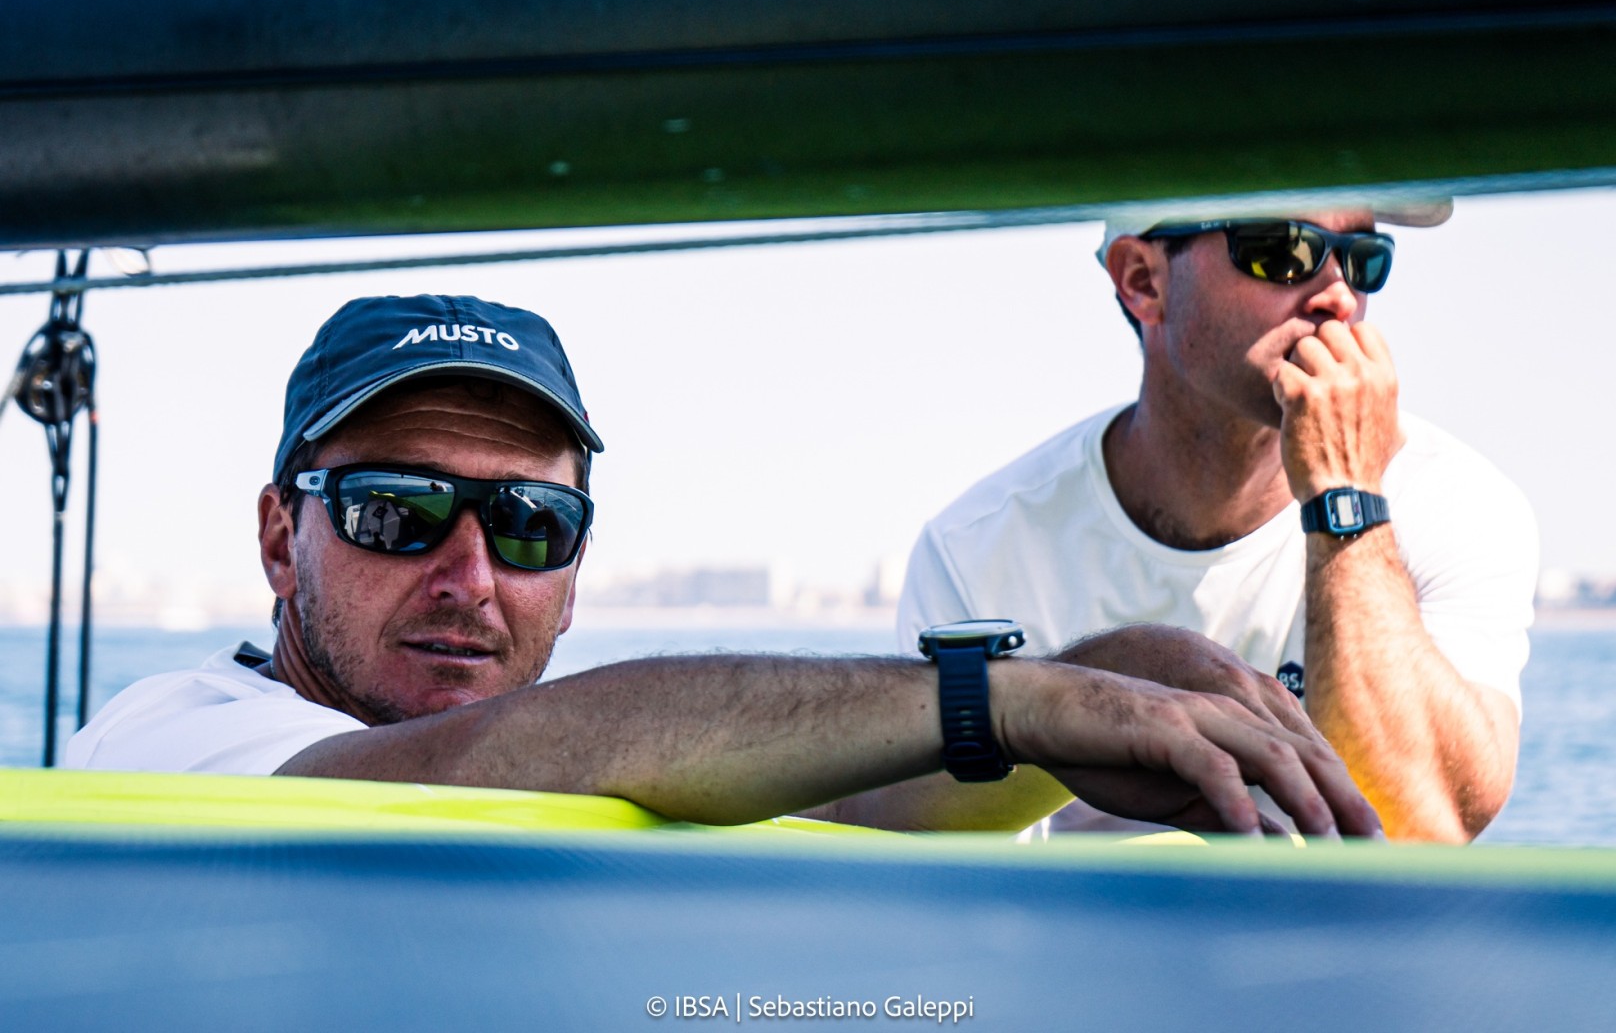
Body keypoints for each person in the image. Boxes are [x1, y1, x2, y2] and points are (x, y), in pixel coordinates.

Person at [65, 293, 1380, 839]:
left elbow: (868, 802)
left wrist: (1097, 686)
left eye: (530, 524)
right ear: (277, 538)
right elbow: (527, 751)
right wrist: (1008, 700)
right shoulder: (169, 744)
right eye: (398, 513)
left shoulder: (604, 773)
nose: (471, 574)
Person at [896, 197, 1537, 843]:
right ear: (1143, 281)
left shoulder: (1455, 503)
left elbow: (1428, 823)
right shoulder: (979, 547)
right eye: (1283, 250)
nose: (1339, 296)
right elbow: (937, 856)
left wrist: (1345, 492)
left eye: (1364, 260)